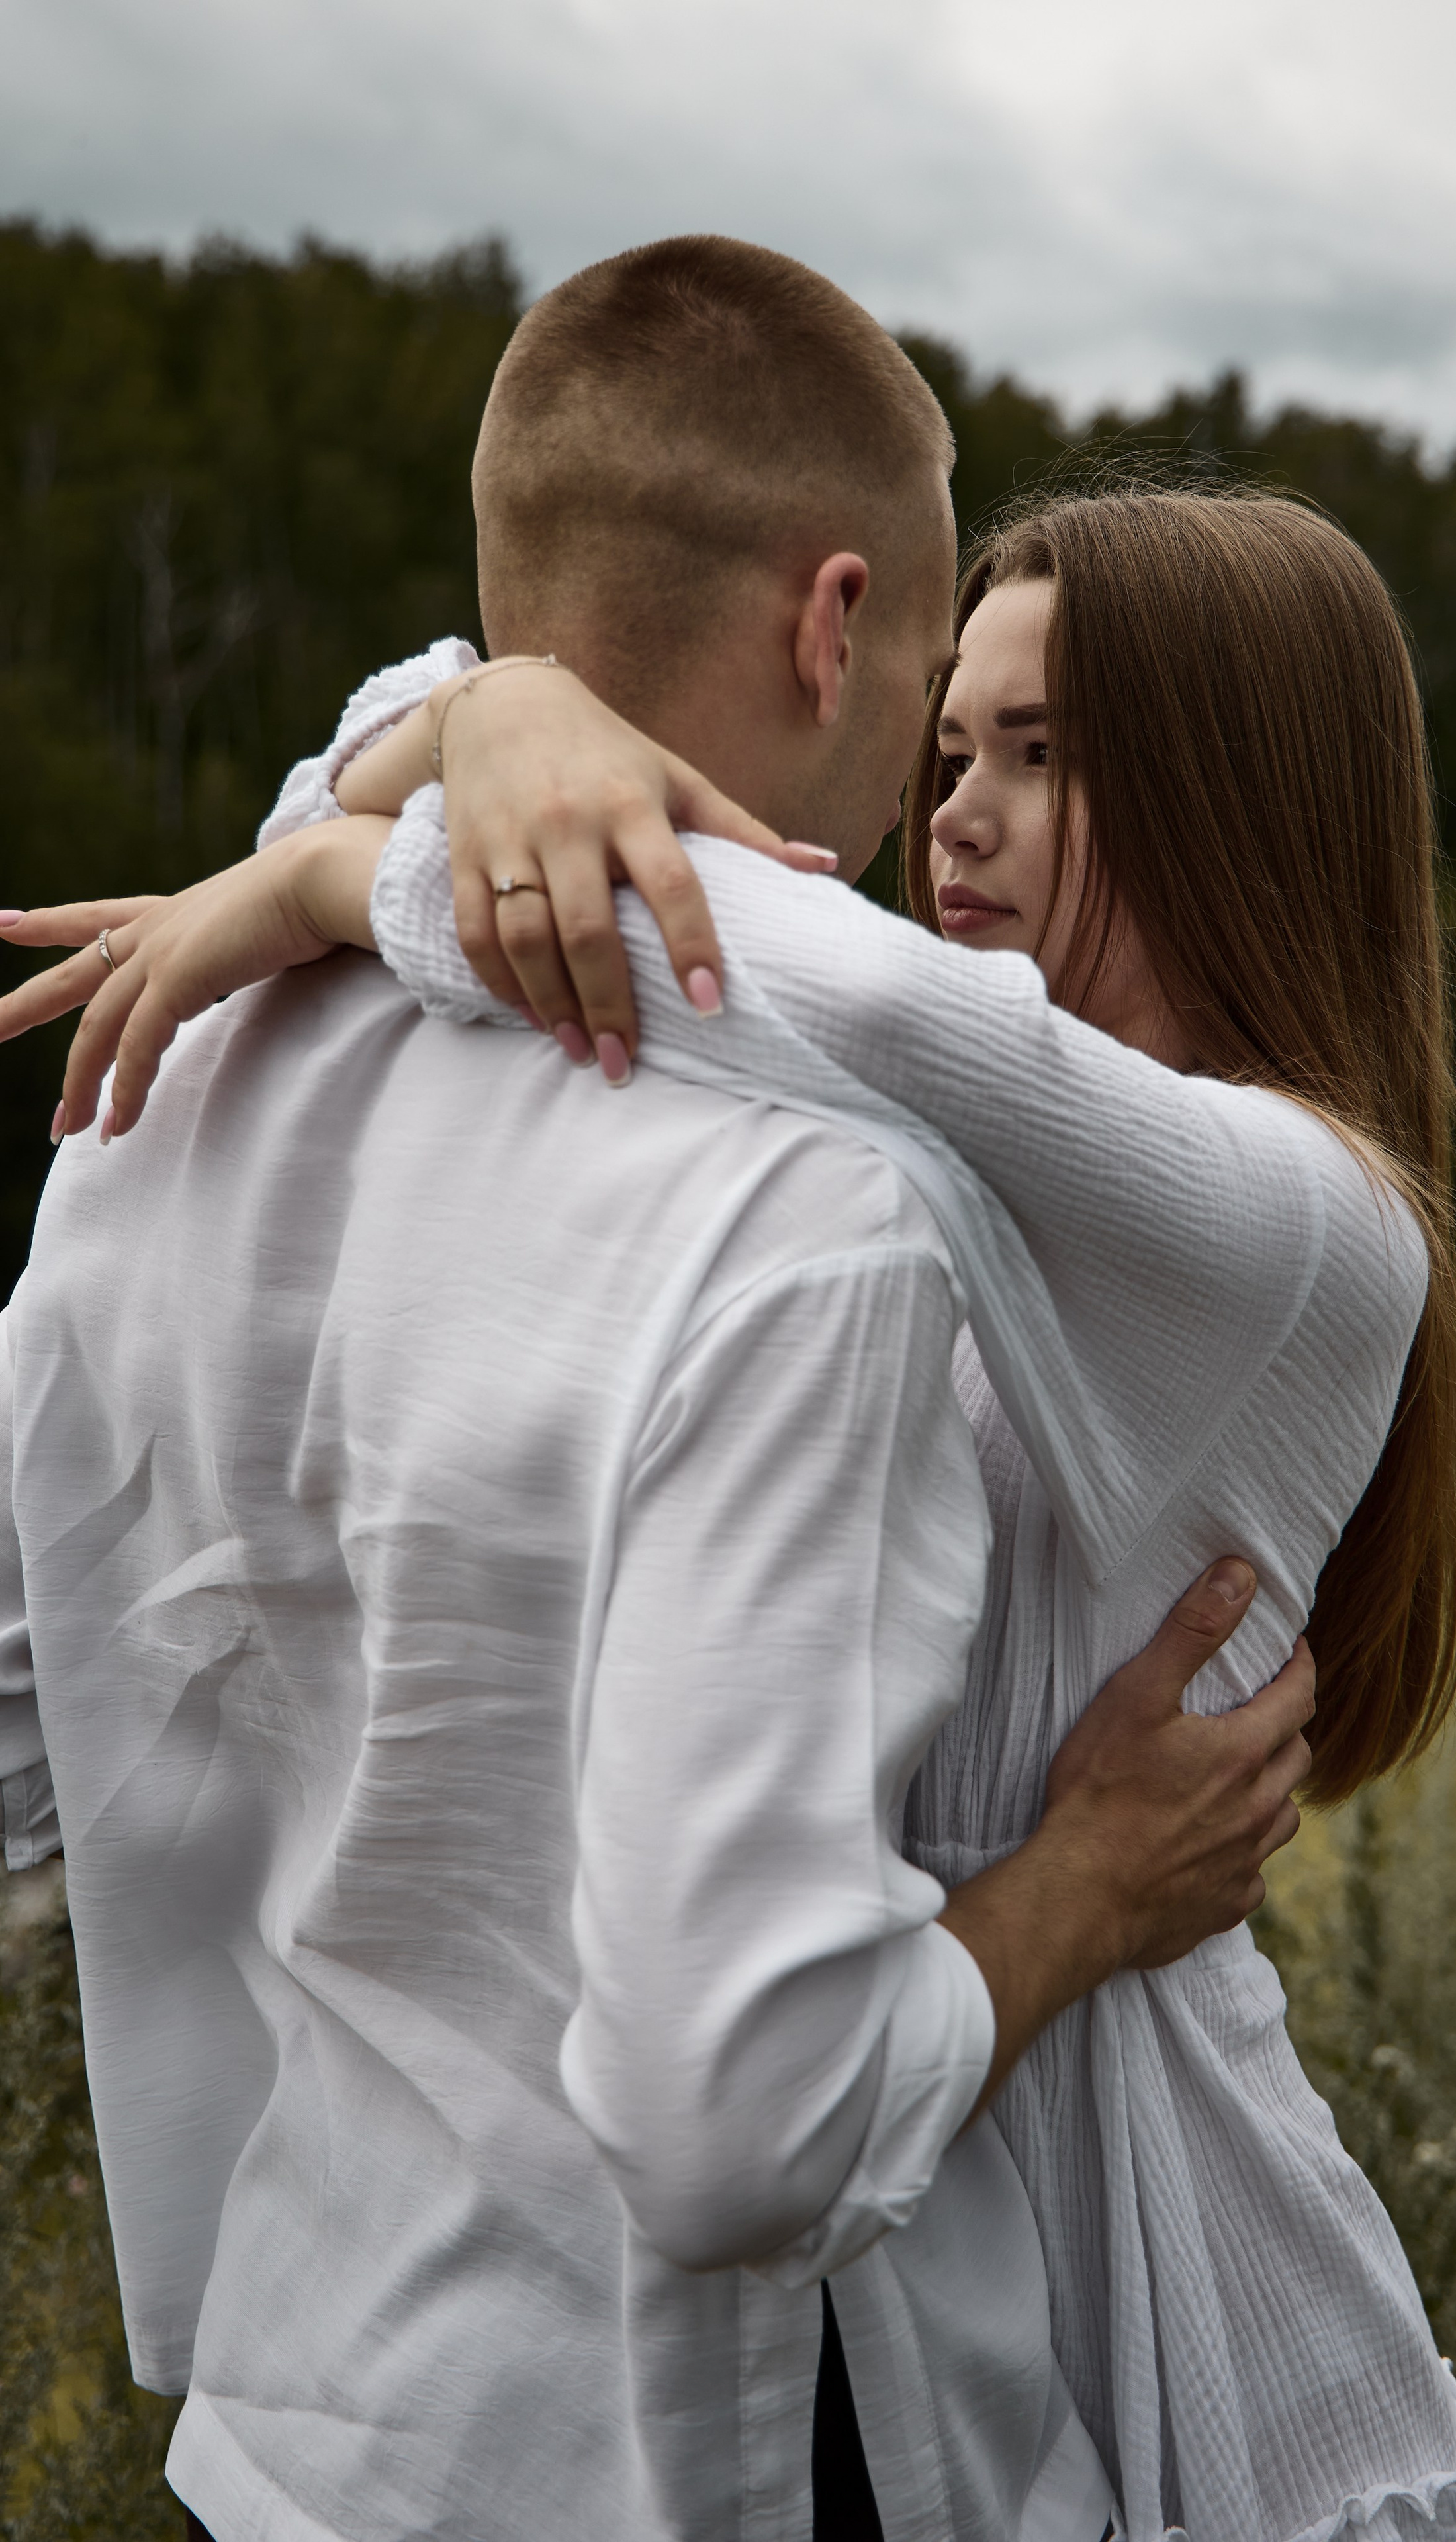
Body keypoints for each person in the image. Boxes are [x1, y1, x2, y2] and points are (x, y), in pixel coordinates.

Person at [0, 238, 1323, 2542]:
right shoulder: (816, 1224)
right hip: (693, 2457)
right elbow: (747, 2130)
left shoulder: (159, 1098)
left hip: (296, 2443)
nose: (937, 813)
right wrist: (1080, 1892)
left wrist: (382, 792)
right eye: (931, 703)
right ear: (835, 623)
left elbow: (34, 1740)